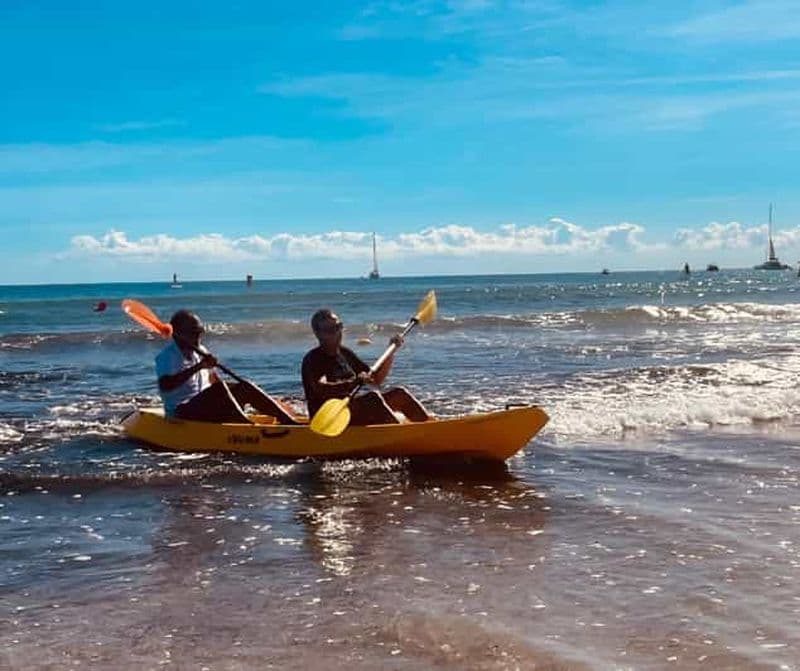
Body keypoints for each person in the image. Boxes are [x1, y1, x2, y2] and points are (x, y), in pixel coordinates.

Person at [156, 310, 301, 424]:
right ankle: (246, 425)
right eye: (193, 334)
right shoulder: (168, 356)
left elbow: (214, 381)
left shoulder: (200, 350)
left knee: (245, 386)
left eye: (199, 333)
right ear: (179, 334)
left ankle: (287, 419)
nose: (198, 338)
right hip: (182, 412)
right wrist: (199, 367)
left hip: (205, 407)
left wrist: (235, 392)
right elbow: (166, 385)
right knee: (219, 389)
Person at [301, 308, 432, 425]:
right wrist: (353, 382)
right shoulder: (313, 359)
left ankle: (429, 427)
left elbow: (376, 379)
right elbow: (321, 388)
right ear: (318, 334)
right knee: (372, 399)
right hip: (329, 418)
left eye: (338, 326)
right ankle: (401, 434)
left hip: (349, 410)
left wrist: (391, 351)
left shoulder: (345, 353)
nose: (337, 332)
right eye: (330, 330)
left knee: (399, 394)